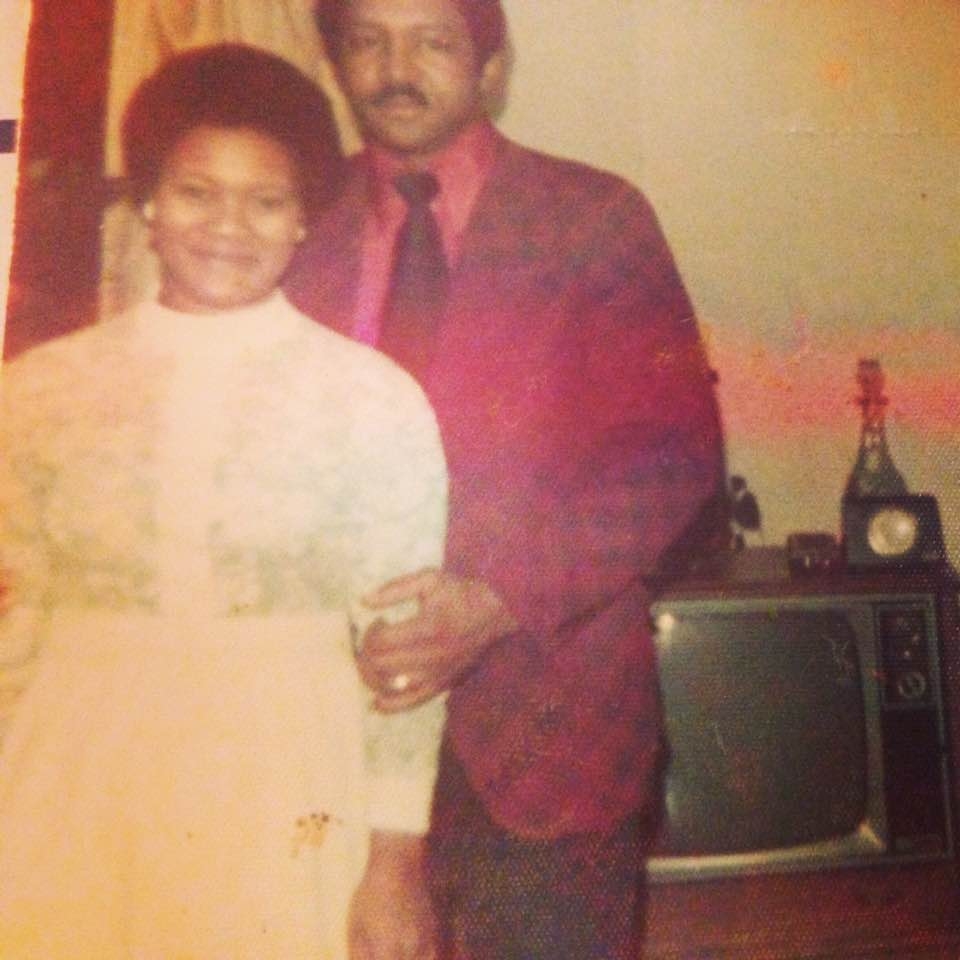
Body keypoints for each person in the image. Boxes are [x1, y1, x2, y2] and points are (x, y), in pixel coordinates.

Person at [286, 1, 728, 957]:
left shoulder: (594, 217)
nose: (396, 69)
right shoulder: (292, 227)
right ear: (336, 61)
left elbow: (673, 453)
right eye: (368, 41)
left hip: (551, 747)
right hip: (333, 749)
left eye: (433, 42)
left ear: (491, 66)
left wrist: (493, 600)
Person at [0, 43, 447, 960]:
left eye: (265, 200)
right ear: (149, 203)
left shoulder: (371, 398)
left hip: (287, 786)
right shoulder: (37, 391)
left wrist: (396, 863)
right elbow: (18, 624)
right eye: (197, 192)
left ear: (303, 218)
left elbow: (404, 662)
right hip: (71, 782)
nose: (228, 226)